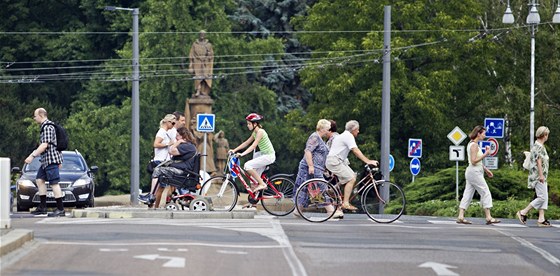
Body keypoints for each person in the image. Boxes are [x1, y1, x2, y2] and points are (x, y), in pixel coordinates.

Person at [294, 119, 343, 219]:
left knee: (309, 189)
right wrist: (311, 166)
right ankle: (330, 210)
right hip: (310, 167)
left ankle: (298, 210)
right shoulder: (314, 137)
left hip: (318, 168)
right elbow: (307, 151)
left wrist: (327, 169)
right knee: (321, 187)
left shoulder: (320, 139)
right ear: (323, 128)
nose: (329, 130)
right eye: (327, 128)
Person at [325, 120, 378, 212]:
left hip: (336, 161)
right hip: (335, 162)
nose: (358, 131)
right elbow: (355, 150)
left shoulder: (344, 135)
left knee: (353, 175)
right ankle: (345, 203)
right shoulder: (348, 136)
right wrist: (368, 161)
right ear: (353, 129)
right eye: (357, 130)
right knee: (351, 179)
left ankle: (332, 189)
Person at [25, 108, 65, 217]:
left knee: (54, 183)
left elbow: (44, 145)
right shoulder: (45, 126)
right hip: (46, 160)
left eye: (35, 116)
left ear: (41, 115)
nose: (34, 118)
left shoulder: (47, 127)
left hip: (50, 160)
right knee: (39, 180)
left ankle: (60, 209)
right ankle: (43, 207)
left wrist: (32, 156)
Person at [456, 125, 500, 225]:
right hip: (474, 172)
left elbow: (476, 161)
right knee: (485, 191)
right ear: (478, 134)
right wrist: (486, 153)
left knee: (468, 194)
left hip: (473, 171)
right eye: (483, 133)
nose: (485, 135)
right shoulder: (474, 145)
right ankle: (489, 217)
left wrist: (486, 169)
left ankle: (461, 216)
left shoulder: (472, 144)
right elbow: (474, 161)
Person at [150, 127, 198, 208]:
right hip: (183, 170)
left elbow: (171, 151)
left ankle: (151, 195)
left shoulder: (186, 146)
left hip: (182, 171)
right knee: (161, 174)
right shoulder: (189, 146)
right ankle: (153, 198)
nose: (176, 137)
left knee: (157, 170)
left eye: (178, 136)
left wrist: (177, 142)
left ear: (183, 136)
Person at [230, 113, 275, 193]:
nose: (248, 125)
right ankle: (253, 203)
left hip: (268, 156)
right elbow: (246, 143)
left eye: (249, 124)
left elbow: (253, 146)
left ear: (255, 124)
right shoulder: (255, 132)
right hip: (263, 155)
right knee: (253, 180)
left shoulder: (260, 132)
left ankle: (262, 184)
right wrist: (234, 150)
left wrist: (242, 154)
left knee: (247, 165)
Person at [517, 126, 552, 227]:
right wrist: (541, 175)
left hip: (542, 176)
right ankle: (523, 212)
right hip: (538, 176)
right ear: (544, 135)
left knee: (544, 197)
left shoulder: (540, 146)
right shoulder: (538, 147)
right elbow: (538, 162)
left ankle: (541, 219)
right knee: (541, 197)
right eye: (547, 134)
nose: (547, 136)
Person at [139, 114, 177, 203]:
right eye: (172, 123)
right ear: (167, 122)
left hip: (164, 160)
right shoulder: (162, 132)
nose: (173, 125)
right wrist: (168, 144)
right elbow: (156, 144)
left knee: (162, 184)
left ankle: (151, 199)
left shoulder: (166, 132)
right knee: (158, 181)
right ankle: (151, 197)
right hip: (159, 160)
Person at [188, 30, 214, 97]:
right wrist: (191, 64)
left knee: (205, 77)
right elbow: (191, 54)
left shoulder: (208, 45)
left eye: (203, 34)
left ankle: (204, 91)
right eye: (201, 34)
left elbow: (212, 55)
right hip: (197, 62)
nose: (202, 35)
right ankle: (198, 90)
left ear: (205, 35)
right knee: (198, 77)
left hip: (206, 63)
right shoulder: (195, 44)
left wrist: (209, 54)